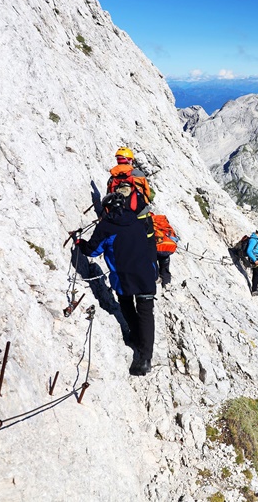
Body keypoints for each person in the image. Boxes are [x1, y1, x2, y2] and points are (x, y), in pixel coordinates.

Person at [76, 193, 158, 376]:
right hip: (146, 273)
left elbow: (93, 250)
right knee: (146, 312)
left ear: (107, 209)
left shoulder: (106, 226)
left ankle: (136, 337)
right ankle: (145, 358)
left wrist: (80, 243)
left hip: (125, 277)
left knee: (127, 304)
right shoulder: (137, 221)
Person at [106, 146, 155, 237]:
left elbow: (109, 196)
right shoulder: (138, 174)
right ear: (130, 160)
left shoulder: (112, 178)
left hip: (120, 215)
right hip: (140, 213)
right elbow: (147, 193)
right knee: (148, 238)